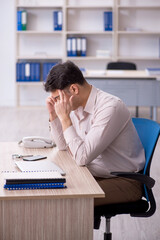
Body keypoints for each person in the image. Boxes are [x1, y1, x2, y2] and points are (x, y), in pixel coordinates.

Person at [44, 61, 145, 206]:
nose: (57, 103)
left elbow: (82, 157)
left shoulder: (109, 107)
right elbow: (62, 147)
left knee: (67, 200)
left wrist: (65, 119)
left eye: (57, 98)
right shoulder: (75, 105)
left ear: (74, 89)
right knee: (50, 189)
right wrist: (54, 115)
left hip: (123, 180)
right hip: (90, 173)